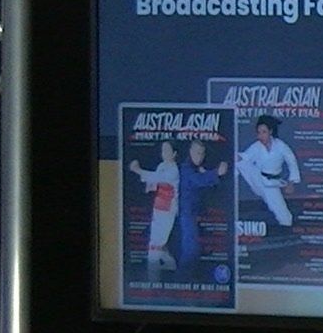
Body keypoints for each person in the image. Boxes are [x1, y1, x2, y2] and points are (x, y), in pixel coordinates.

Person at [175, 139, 228, 281]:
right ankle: (182, 282)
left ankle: (186, 280)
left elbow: (203, 180)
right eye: (197, 152)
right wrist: (216, 172)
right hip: (186, 214)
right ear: (190, 152)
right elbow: (197, 180)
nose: (200, 156)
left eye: (202, 153)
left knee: (194, 249)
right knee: (191, 250)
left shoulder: (196, 168)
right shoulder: (186, 168)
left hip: (193, 214)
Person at [235, 114, 299, 231]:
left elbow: (292, 162)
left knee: (284, 216)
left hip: (272, 184)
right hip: (257, 179)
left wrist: (291, 183)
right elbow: (245, 157)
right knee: (239, 161)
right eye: (259, 133)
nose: (261, 136)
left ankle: (285, 232)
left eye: (264, 132)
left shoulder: (281, 146)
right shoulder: (257, 146)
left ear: (270, 131)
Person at [126, 140, 180, 272]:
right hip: (158, 207)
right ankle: (169, 265)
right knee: (157, 241)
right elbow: (153, 182)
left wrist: (137, 170)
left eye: (167, 150)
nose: (164, 153)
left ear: (174, 153)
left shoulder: (174, 170)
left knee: (157, 242)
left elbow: (157, 178)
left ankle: (152, 273)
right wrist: (147, 182)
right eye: (163, 150)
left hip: (168, 210)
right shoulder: (162, 165)